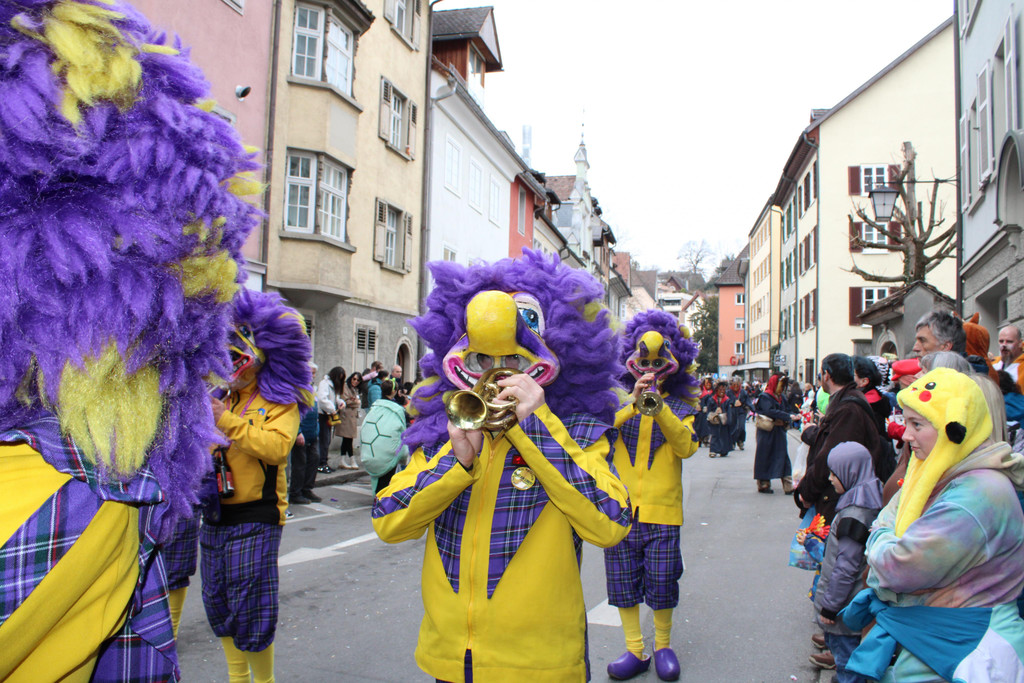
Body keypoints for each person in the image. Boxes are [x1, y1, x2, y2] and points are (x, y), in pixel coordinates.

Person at [0, 2, 261, 678]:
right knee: (215, 607)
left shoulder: (77, 482)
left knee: (245, 614)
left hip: (249, 516)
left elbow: (276, 449)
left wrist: (234, 422)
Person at [372, 251, 632, 682]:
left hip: (541, 668)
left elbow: (611, 523)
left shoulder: (580, 432)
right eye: (482, 362)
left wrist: (538, 428)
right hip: (451, 662)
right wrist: (456, 462)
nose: (497, 376)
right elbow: (388, 522)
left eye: (513, 362)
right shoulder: (441, 433)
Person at [841, 368, 1024, 681]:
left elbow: (898, 566)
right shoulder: (946, 469)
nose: (906, 435)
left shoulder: (974, 497)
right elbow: (894, 510)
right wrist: (888, 530)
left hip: (962, 649)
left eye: (917, 424)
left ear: (954, 427)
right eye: (906, 421)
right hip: (939, 640)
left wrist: (880, 535)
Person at [202, 290, 314, 683]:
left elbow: (277, 448)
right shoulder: (223, 397)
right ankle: (238, 678)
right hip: (215, 512)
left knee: (251, 608)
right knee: (217, 602)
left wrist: (225, 421)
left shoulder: (281, 400)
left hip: (257, 515)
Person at [604, 311, 699, 681]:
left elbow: (686, 447)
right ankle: (634, 649)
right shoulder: (617, 400)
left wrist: (659, 408)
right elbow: (599, 429)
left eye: (658, 364)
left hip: (663, 512)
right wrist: (633, 401)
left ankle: (662, 646)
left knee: (662, 582)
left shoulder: (682, 407)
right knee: (622, 583)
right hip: (621, 509)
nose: (649, 370)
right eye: (643, 363)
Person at [802, 442, 883, 681]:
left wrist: (830, 606)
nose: (830, 479)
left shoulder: (854, 514)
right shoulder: (868, 498)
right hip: (849, 604)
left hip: (844, 609)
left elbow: (845, 568)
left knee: (846, 660)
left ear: (850, 473)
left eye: (834, 474)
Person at [796, 354, 888, 523]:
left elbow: (830, 456)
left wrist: (806, 491)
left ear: (827, 375)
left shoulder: (848, 408)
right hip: (838, 496)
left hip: (837, 498)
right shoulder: (847, 402)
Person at [360, 378, 409, 493]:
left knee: (380, 482)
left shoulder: (374, 408)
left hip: (373, 450)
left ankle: (378, 497)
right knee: (386, 481)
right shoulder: (397, 410)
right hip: (388, 451)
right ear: (394, 391)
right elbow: (401, 431)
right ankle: (381, 500)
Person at [753, 374, 800, 493]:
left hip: (779, 431)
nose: (782, 387)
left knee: (783, 456)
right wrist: (787, 416)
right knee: (764, 456)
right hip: (767, 431)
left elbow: (787, 409)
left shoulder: (781, 397)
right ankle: (763, 483)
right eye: (781, 384)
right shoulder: (765, 397)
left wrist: (793, 415)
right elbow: (769, 411)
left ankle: (788, 484)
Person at [289, 370, 322, 504]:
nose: (313, 376)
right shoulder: (296, 391)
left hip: (312, 433)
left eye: (314, 373)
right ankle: (296, 493)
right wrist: (298, 432)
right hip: (302, 434)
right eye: (311, 373)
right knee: (300, 465)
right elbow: (292, 413)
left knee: (314, 460)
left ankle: (307, 489)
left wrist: (316, 429)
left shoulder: (311, 390)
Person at [315, 366, 346, 473]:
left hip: (328, 414)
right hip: (323, 414)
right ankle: (321, 463)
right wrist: (332, 409)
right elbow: (322, 399)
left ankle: (324, 461)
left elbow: (335, 398)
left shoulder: (332, 385)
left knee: (327, 440)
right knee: (324, 440)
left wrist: (341, 403)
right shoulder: (325, 384)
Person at [338, 372, 363, 469]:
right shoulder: (345, 387)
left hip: (352, 416)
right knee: (348, 439)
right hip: (346, 416)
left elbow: (354, 401)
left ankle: (343, 460)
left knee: (347, 439)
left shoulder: (355, 389)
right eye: (354, 379)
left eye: (358, 380)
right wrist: (356, 402)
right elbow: (345, 401)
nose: (355, 381)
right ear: (351, 378)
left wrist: (355, 401)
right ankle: (352, 460)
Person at [703, 381, 733, 458]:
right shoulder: (712, 399)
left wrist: (728, 420)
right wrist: (715, 412)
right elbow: (709, 410)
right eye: (720, 389)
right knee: (715, 435)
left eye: (723, 390)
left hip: (723, 421)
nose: (722, 391)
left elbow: (729, 411)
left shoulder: (727, 400)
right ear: (717, 390)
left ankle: (723, 450)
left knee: (723, 435)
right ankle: (713, 450)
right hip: (714, 421)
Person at [996, 324, 1024, 392]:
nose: (1004, 345)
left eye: (1009, 341)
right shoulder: (993, 363)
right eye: (1001, 341)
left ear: (1020, 343)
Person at [728, 378, 752, 450]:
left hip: (741, 411)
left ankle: (740, 440)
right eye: (734, 384)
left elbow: (748, 401)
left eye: (737, 385)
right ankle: (732, 442)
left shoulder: (743, 392)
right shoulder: (728, 392)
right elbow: (726, 401)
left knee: (741, 427)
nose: (736, 386)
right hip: (732, 411)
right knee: (733, 427)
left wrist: (753, 409)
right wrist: (733, 402)